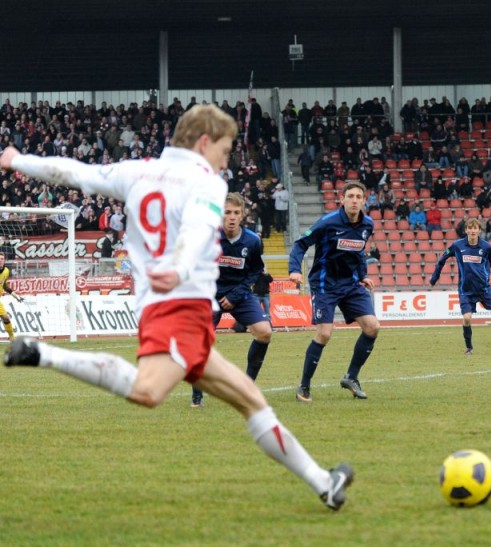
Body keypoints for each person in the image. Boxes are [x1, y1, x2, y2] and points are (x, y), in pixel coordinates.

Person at [0, 105, 354, 510]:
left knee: (251, 401)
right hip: (181, 305)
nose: (226, 160)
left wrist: (18, 160)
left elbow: (73, 171)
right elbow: (199, 228)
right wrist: (180, 266)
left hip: (167, 307)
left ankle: (324, 483)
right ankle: (41, 352)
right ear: (204, 142)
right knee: (148, 389)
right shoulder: (205, 181)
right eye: (225, 150)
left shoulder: (138, 171)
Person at [288, 181, 379, 403]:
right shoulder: (328, 222)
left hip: (351, 284)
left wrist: (363, 274)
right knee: (325, 333)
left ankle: (351, 377)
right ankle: (304, 386)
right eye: (351, 196)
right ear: (342, 199)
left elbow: (359, 253)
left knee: (372, 327)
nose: (355, 200)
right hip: (324, 284)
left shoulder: (367, 224)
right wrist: (294, 270)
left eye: (359, 196)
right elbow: (301, 244)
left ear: (364, 200)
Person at [190, 193, 274, 408]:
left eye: (236, 213)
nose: (232, 217)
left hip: (240, 294)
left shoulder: (253, 241)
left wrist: (235, 296)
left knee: (264, 332)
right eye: (227, 212)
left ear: (243, 214)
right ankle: (197, 396)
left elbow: (255, 269)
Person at [429, 218, 491, 356]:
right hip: (466, 290)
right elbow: (442, 259)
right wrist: (434, 278)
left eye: (475, 228)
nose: (473, 230)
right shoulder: (457, 245)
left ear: (479, 230)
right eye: (470, 228)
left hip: (484, 288)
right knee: (467, 318)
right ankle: (469, 348)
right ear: (466, 230)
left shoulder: (486, 247)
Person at [0, 253, 23, 340]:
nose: (0, 260)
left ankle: (12, 337)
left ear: (4, 260)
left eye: (2, 259)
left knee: (6, 318)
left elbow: (4, 285)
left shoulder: (6, 271)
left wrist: (15, 295)